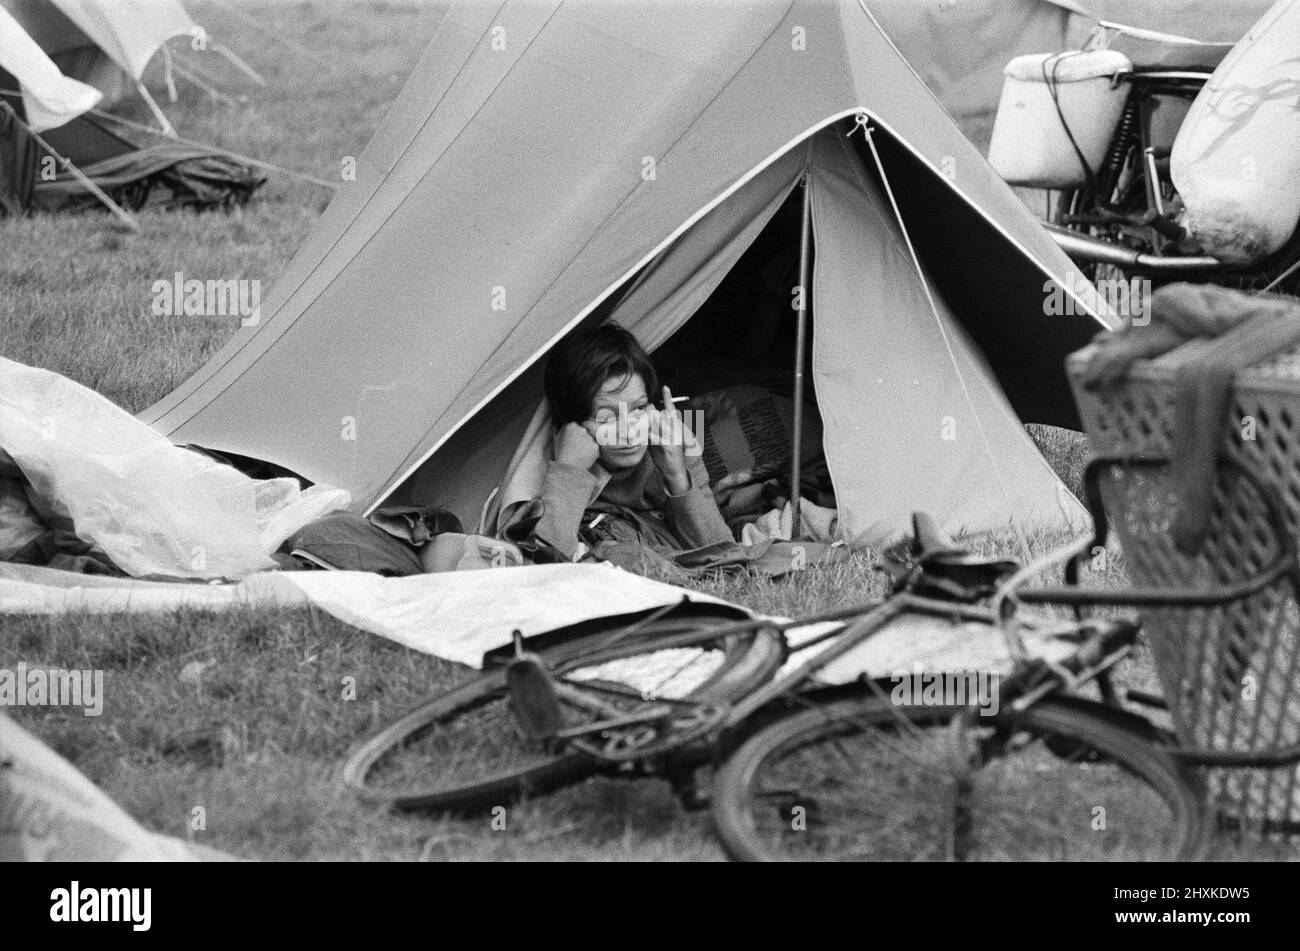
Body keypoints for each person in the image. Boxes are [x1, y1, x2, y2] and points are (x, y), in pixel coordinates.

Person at [531, 324, 734, 561]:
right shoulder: (544, 466)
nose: (630, 433)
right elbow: (545, 564)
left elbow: (725, 554)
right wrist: (570, 472)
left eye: (639, 408)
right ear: (571, 425)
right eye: (606, 417)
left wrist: (677, 475)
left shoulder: (669, 443)